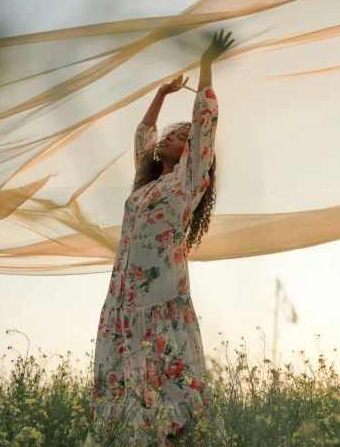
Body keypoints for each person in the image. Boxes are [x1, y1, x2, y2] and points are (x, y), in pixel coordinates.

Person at [89, 30, 233, 446]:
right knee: (123, 367)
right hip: (124, 291)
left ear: (193, 155)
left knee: (169, 365)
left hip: (162, 289)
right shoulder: (143, 186)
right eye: (172, 134)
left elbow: (205, 125)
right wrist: (161, 94)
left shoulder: (189, 182)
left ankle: (181, 437)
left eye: (182, 138)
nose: (172, 137)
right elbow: (143, 138)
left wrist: (206, 64)